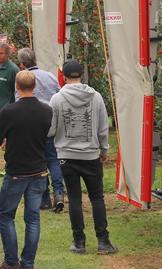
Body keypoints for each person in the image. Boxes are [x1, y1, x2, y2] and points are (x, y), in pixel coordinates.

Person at [49, 60, 118, 256]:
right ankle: (103, 242)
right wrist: (103, 151)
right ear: (82, 75)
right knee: (97, 198)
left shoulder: (56, 99)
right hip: (90, 155)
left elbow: (51, 129)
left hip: (65, 156)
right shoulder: (95, 97)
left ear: (63, 77)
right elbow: (103, 127)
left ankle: (79, 243)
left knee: (75, 199)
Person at [0, 70, 50, 269]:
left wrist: (7, 140)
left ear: (16, 87)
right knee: (33, 218)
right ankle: (28, 265)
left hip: (16, 171)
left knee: (6, 215)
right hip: (40, 169)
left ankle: (12, 263)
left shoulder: (8, 111)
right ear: (35, 86)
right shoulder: (46, 110)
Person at [15, 48, 64, 212]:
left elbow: (19, 103)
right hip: (50, 123)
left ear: (21, 64)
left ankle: (44, 199)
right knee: (52, 159)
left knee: (39, 162)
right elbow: (60, 98)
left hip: (31, 127)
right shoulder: (50, 76)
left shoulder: (21, 79)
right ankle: (59, 193)